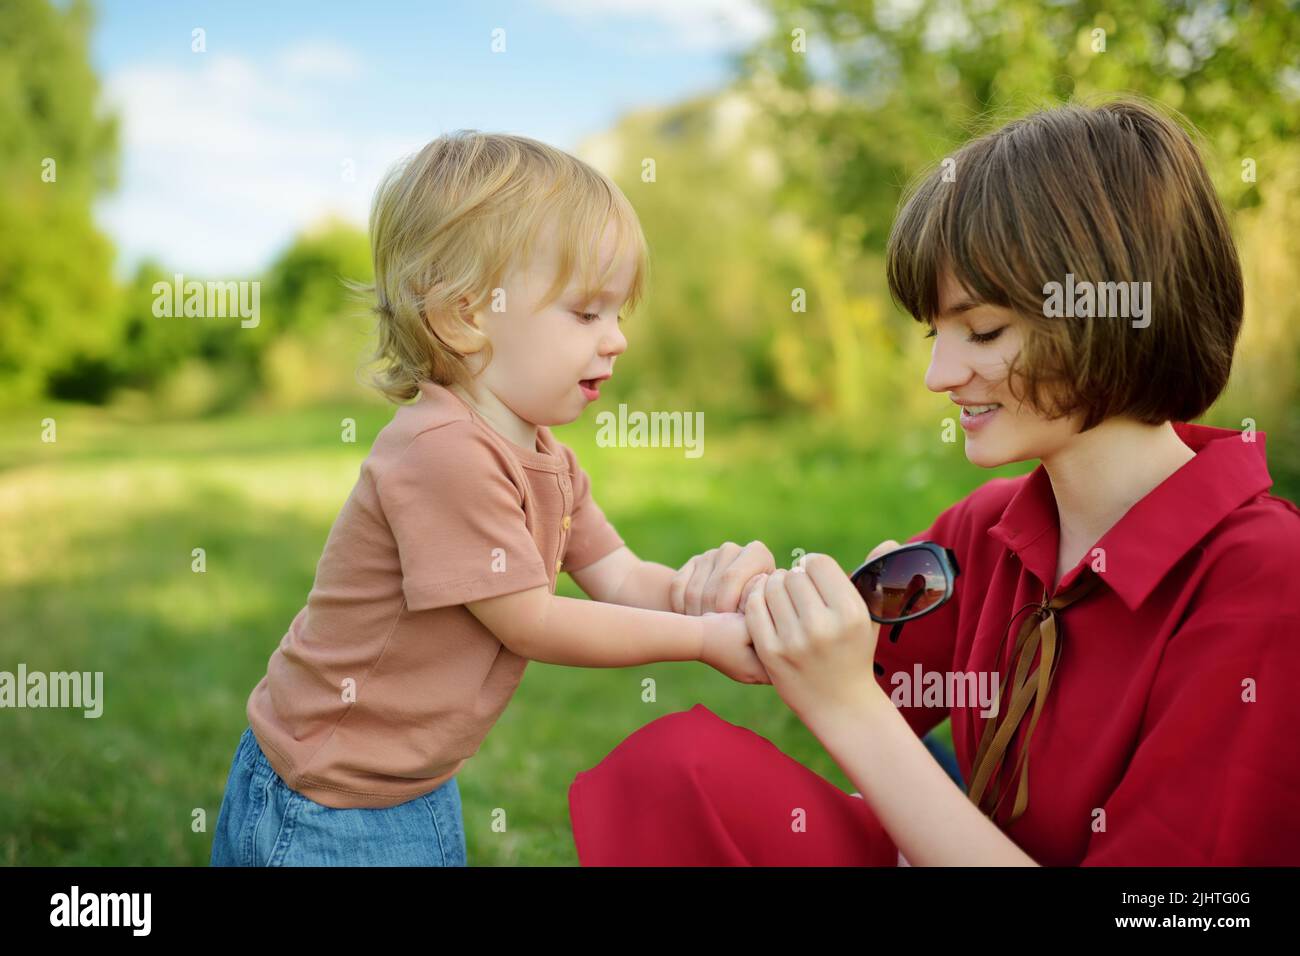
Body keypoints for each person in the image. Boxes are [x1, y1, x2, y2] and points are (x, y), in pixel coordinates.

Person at [567, 98, 1300, 866]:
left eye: (982, 332)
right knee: (678, 768)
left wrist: (849, 705)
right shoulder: (990, 531)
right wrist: (749, 603)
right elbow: (833, 664)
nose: (938, 375)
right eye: (935, 334)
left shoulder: (1260, 576)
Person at [209, 131, 773, 867]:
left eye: (619, 314)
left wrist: (719, 600)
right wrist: (701, 644)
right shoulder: (442, 450)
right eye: (586, 314)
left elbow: (623, 578)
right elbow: (529, 623)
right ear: (465, 315)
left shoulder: (550, 461)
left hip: (411, 782)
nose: (618, 341)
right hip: (327, 801)